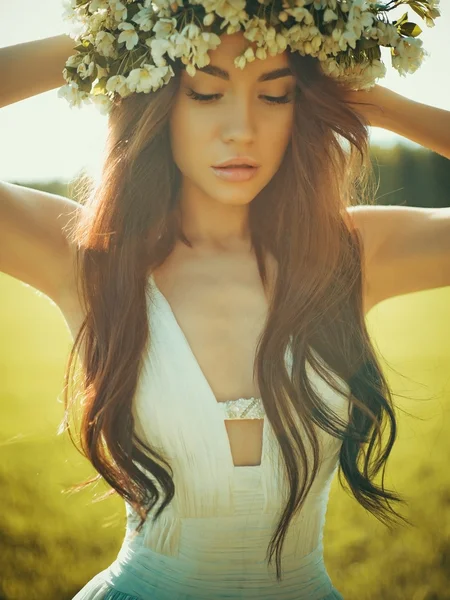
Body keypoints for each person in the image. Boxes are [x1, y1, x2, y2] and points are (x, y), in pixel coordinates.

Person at [0, 1, 449, 598]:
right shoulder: (88, 257)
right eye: (206, 93)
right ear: (157, 100)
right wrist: (108, 43)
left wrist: (376, 101)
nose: (242, 127)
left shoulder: (351, 258)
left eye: (275, 95)